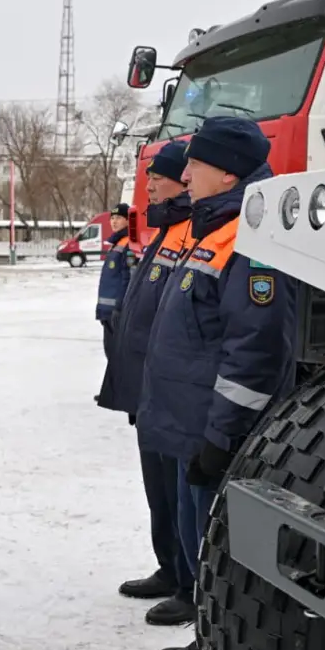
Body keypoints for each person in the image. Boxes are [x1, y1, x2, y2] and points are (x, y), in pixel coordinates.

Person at [136, 117, 298, 650]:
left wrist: (222, 433)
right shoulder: (212, 228)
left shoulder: (249, 239)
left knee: (224, 557)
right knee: (196, 545)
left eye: (195, 166)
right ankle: (211, 643)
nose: (186, 175)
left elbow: (254, 353)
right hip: (187, 426)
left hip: (214, 433)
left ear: (227, 171)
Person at [96, 141, 194, 609]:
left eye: (160, 176)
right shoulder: (166, 231)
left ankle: (188, 584)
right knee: (158, 488)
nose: (149, 183)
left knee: (181, 494)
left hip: (173, 391)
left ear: (185, 179)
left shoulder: (192, 231)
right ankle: (170, 567)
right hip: (148, 388)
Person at [95, 203, 134, 362]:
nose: (114, 221)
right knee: (111, 356)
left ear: (128, 220)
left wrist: (120, 307)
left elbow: (128, 278)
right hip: (108, 312)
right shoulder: (116, 243)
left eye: (119, 218)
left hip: (117, 313)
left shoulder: (128, 244)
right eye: (112, 218)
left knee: (118, 359)